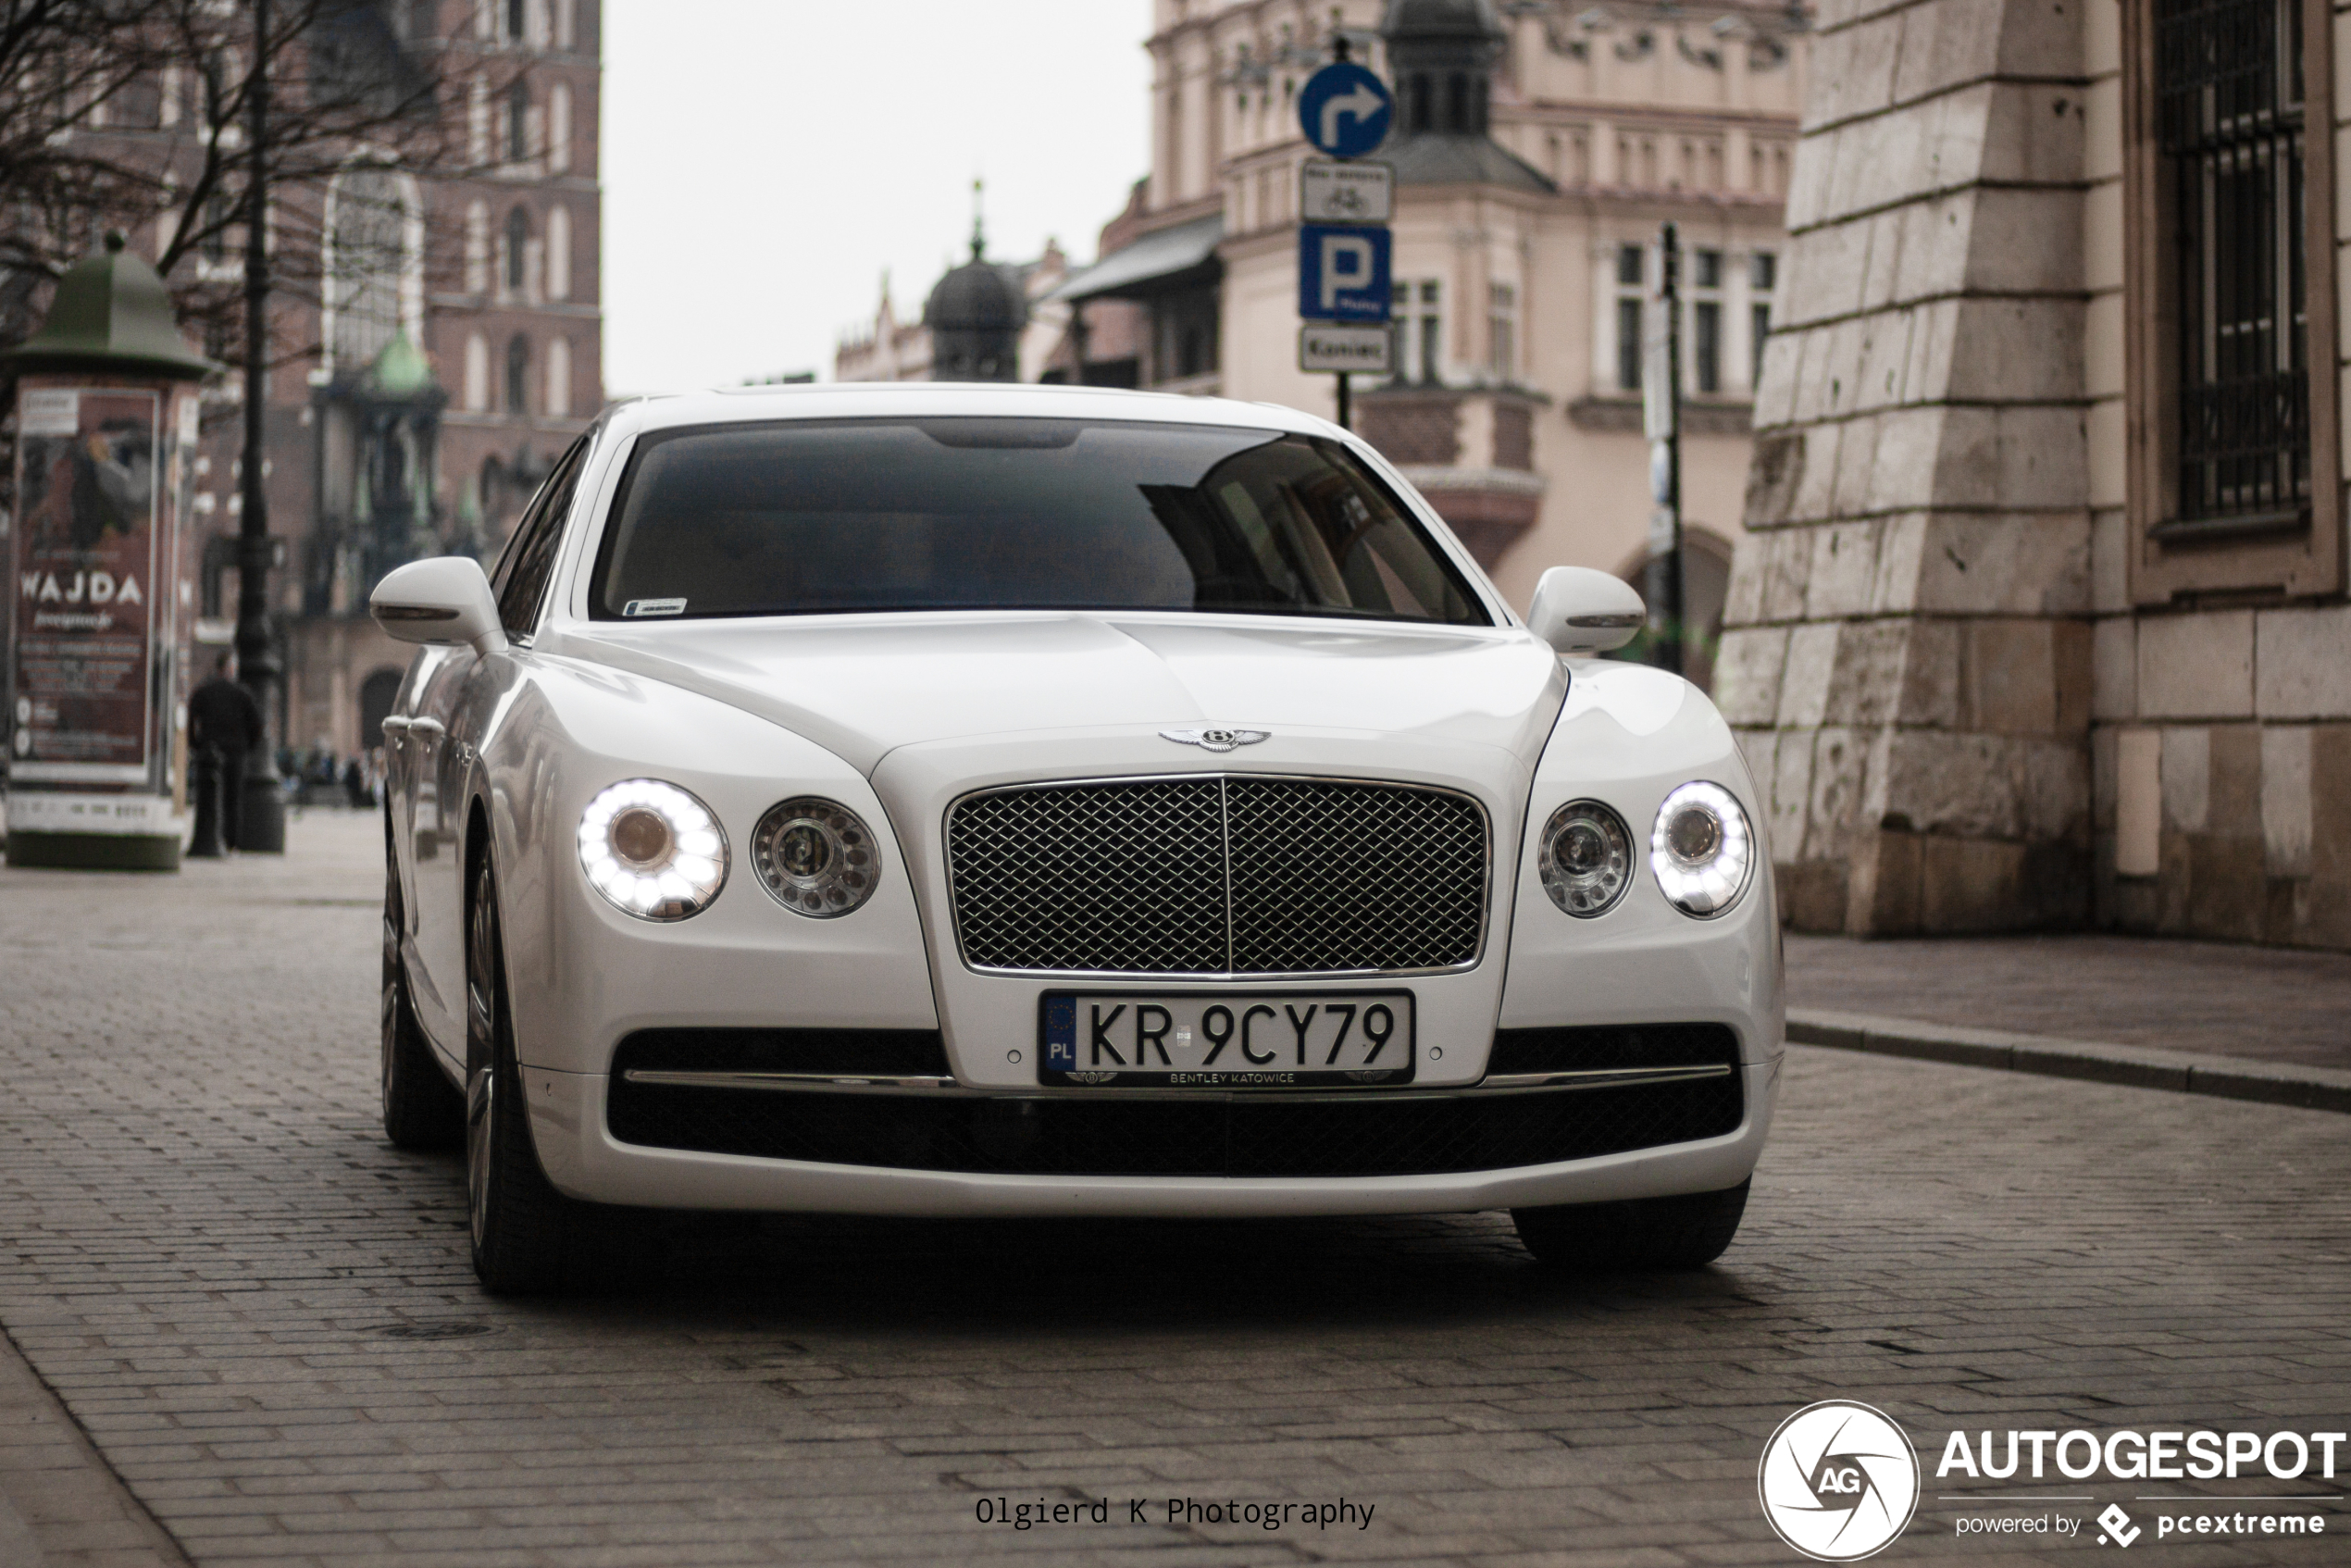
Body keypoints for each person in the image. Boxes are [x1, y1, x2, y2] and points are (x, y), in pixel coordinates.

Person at [187, 653, 262, 850]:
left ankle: (209, 837)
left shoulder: (203, 692)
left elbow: (191, 721)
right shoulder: (242, 693)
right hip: (236, 752)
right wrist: (247, 746)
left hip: (209, 751)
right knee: (233, 799)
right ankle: (231, 842)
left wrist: (195, 745)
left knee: (207, 797)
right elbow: (257, 725)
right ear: (229, 668)